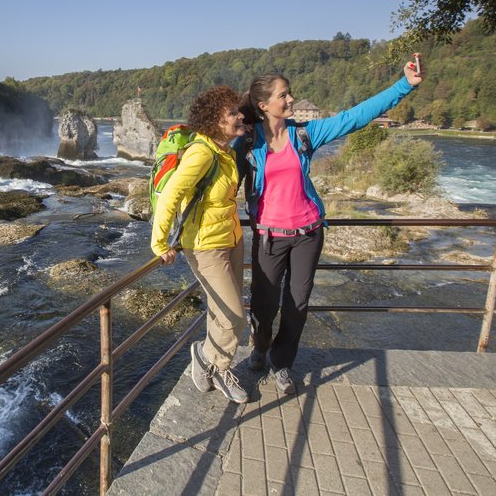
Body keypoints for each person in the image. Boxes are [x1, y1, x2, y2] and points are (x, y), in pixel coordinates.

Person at [233, 56, 426, 394]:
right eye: (284, 96)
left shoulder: (305, 134)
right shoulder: (248, 144)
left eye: (289, 93)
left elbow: (354, 117)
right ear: (264, 105)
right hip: (268, 238)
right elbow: (220, 181)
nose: (291, 100)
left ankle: (282, 362)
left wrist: (404, 86)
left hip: (308, 233)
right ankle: (260, 347)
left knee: (298, 303)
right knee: (264, 306)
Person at [150, 85, 249, 404]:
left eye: (238, 110)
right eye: (232, 112)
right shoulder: (202, 152)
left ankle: (215, 363)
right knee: (235, 317)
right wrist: (159, 243)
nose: (240, 116)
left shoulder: (225, 151)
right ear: (215, 120)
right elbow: (170, 196)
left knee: (222, 311)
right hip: (205, 246)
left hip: (232, 239)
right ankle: (211, 361)